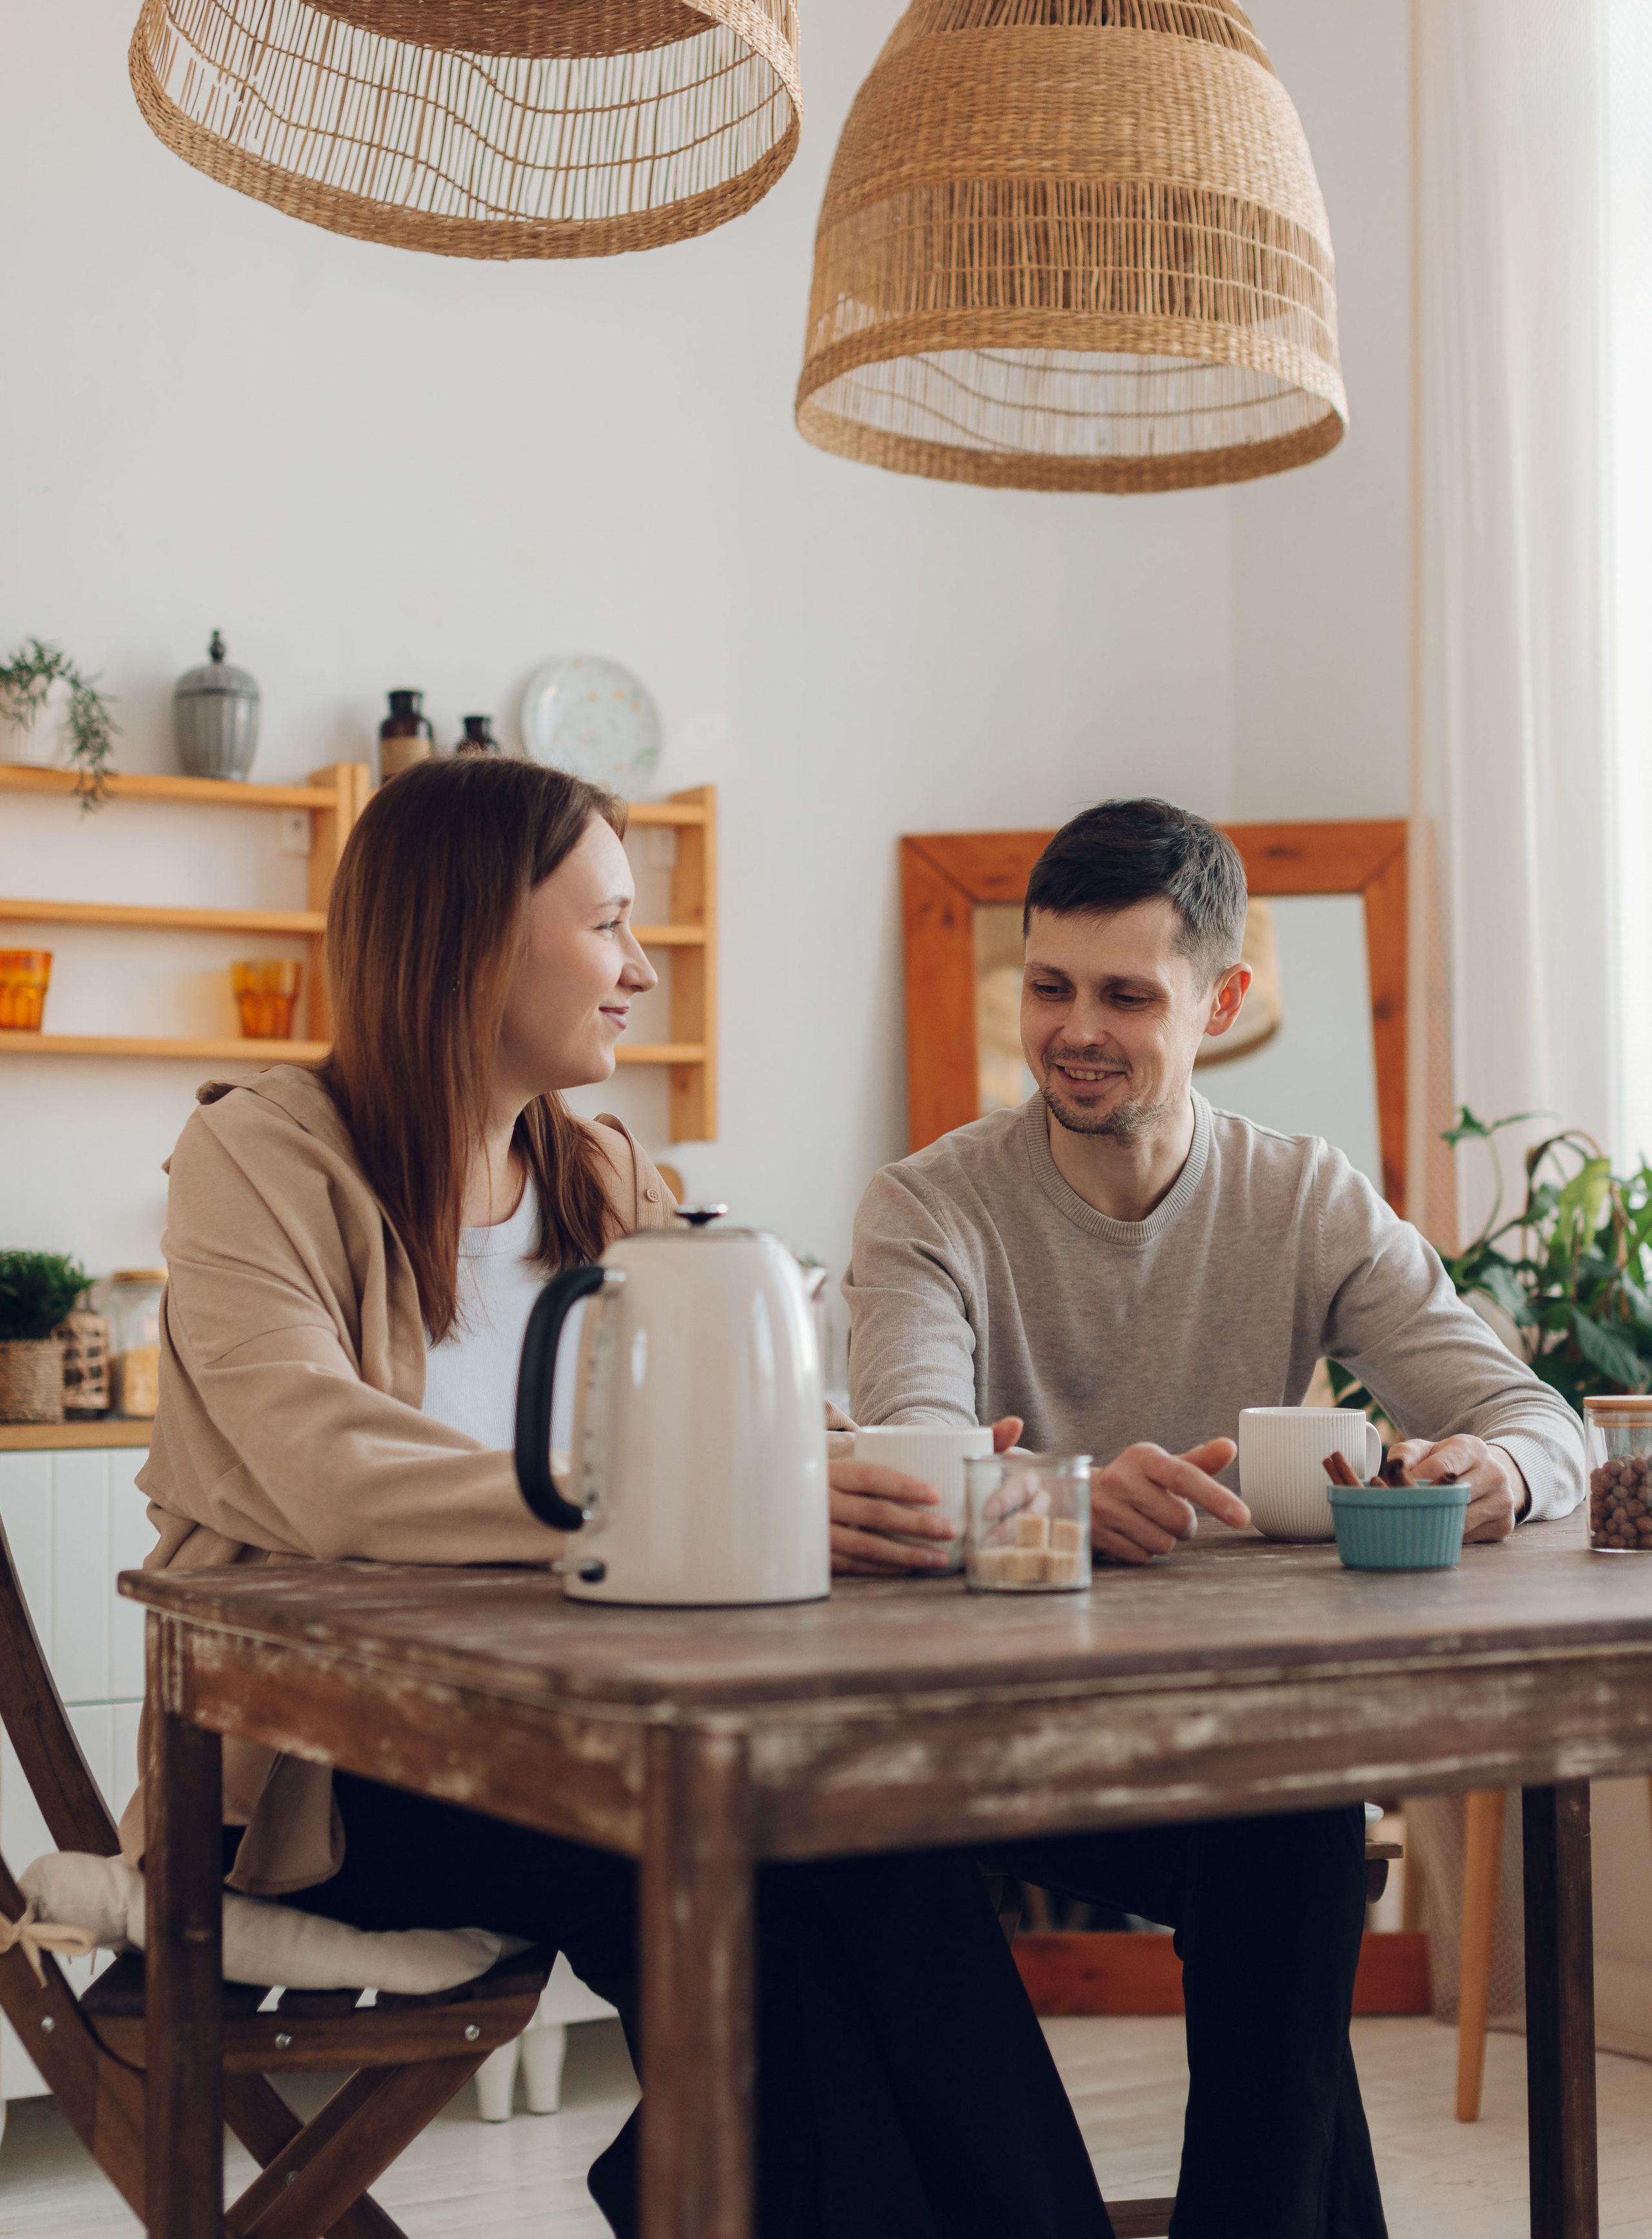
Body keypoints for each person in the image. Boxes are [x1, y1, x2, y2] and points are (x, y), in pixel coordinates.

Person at [123, 756, 1114, 2239]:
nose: (640, 970)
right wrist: (692, 1498)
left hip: (599, 1735)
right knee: (739, 1873)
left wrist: (905, 1475)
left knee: (872, 1846)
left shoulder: (597, 1172)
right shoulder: (260, 1155)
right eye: (608, 926)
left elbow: (763, 1421)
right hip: (352, 1774)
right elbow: (323, 1465)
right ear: (472, 940)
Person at [835, 796, 1586, 2239]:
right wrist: (1058, 1498)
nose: (1074, 1029)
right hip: (963, 1745)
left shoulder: (1301, 1196)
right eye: (1048, 987)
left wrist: (1495, 1475)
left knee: (1294, 1825)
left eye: (1126, 994)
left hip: (1204, 1741)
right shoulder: (924, 1209)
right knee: (1280, 1849)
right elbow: (911, 1471)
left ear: (1220, 1001)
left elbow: (1528, 1416)